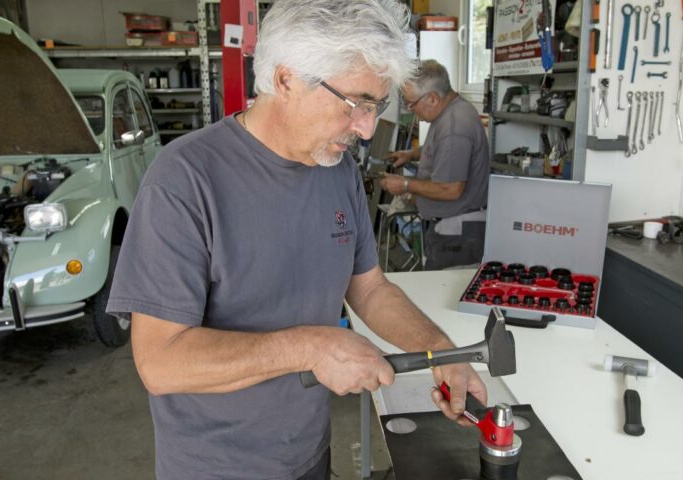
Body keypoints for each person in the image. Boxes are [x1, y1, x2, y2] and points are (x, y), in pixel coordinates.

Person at [104, 2, 487, 479]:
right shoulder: (184, 181)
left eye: (377, 106)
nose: (367, 128)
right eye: (356, 104)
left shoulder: (338, 169)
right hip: (216, 468)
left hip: (308, 452)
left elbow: (367, 288)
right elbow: (160, 362)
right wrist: (308, 347)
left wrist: (438, 351)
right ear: (286, 81)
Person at [380, 60, 491, 270]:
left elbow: (451, 189)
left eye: (412, 104)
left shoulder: (454, 125)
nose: (412, 110)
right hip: (449, 226)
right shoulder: (449, 111)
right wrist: (412, 154)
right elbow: (441, 147)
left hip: (456, 233)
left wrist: (405, 184)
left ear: (432, 98)